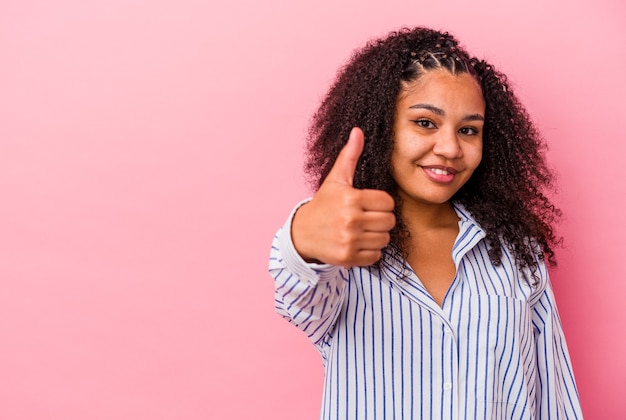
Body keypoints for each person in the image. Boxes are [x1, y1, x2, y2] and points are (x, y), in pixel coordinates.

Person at [268, 27, 583, 419]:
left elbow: (553, 397)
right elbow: (297, 292)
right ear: (382, 127)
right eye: (425, 123)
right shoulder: (343, 249)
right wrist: (306, 236)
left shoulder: (515, 251)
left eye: (469, 130)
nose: (450, 148)